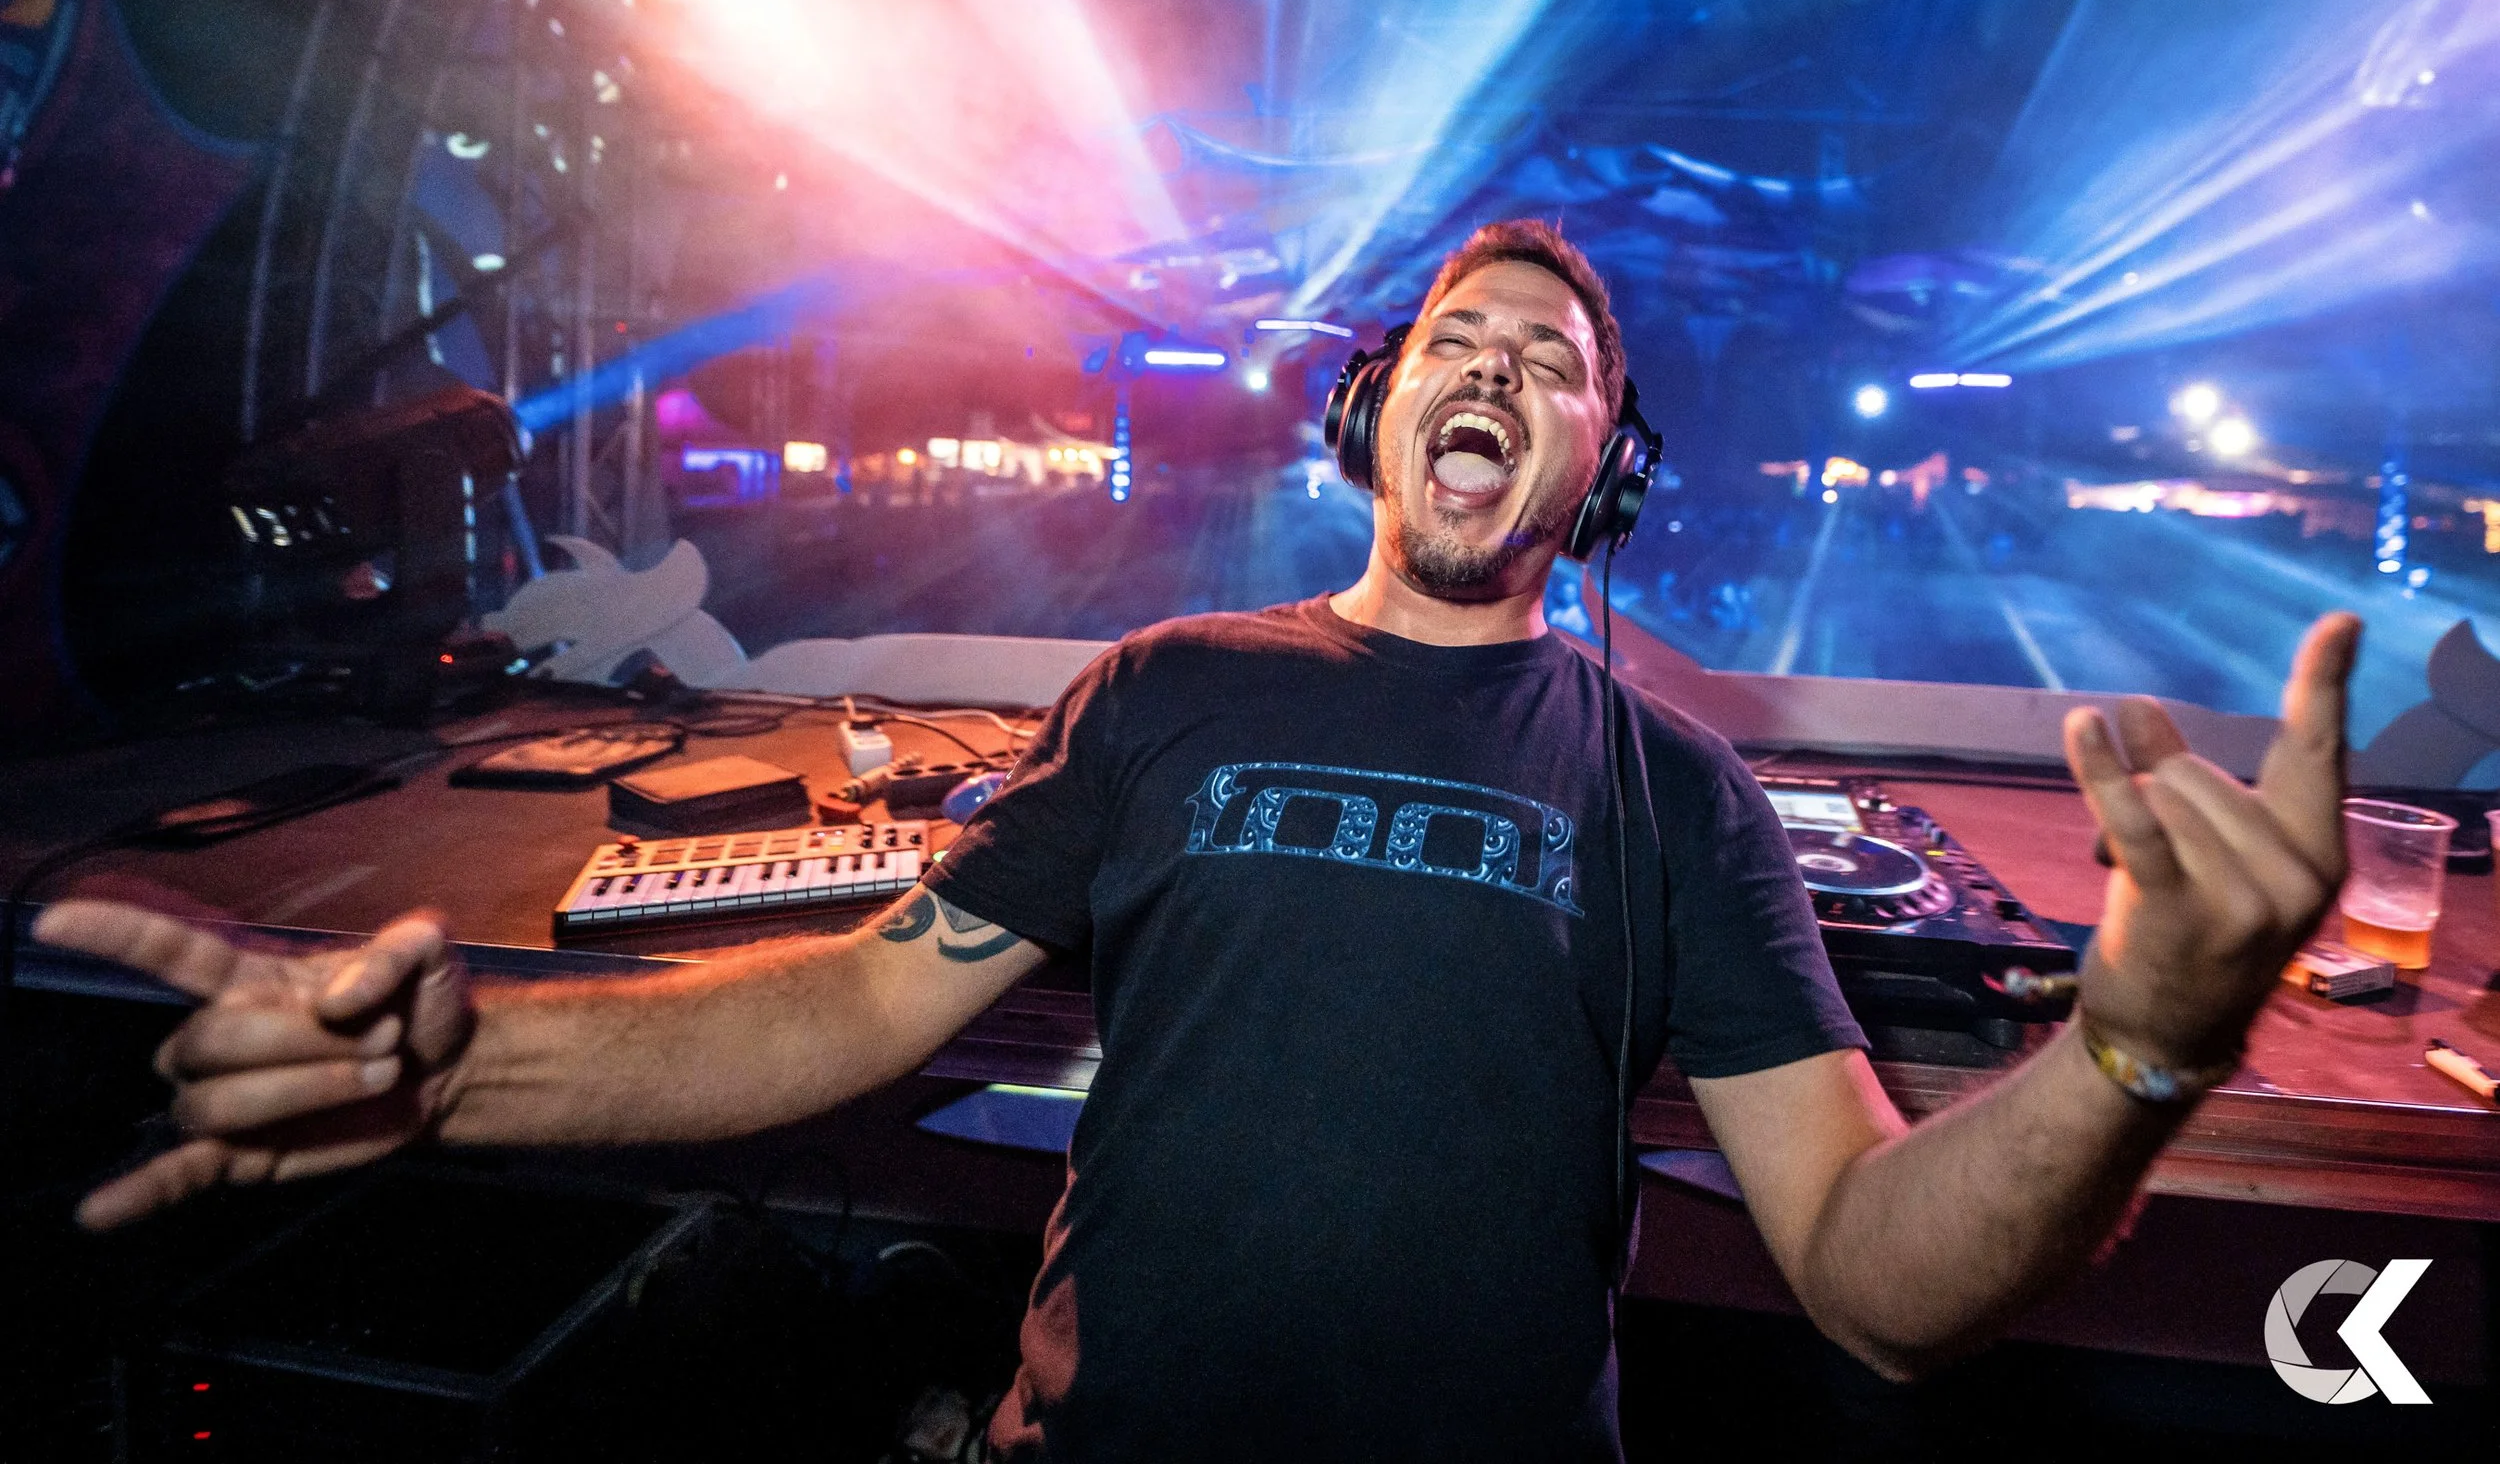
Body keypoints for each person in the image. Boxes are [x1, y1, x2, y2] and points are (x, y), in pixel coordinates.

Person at [37, 220, 2359, 1462]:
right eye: (1463, 332)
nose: (1498, 371)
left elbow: (1867, 1267)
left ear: (1601, 477)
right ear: (1373, 416)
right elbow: (851, 1002)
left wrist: (2135, 1048)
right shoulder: (1164, 687)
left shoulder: (1674, 792)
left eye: (1555, 366)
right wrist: (462, 1072)